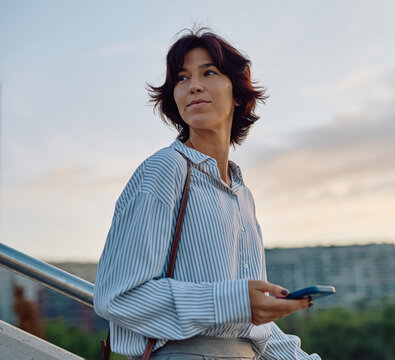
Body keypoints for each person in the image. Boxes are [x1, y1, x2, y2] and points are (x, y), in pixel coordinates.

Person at [94, 29, 321, 360]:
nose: (194, 86)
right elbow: (118, 296)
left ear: (238, 93)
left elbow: (253, 329)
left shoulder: (243, 196)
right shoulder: (165, 169)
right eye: (182, 78)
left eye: (208, 72)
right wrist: (235, 302)